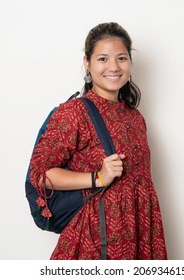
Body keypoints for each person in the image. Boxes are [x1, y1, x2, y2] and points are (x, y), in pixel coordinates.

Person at [29, 22, 167, 260]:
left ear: (130, 63)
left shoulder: (135, 117)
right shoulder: (74, 113)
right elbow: (40, 175)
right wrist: (98, 178)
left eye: (121, 58)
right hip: (97, 241)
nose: (113, 67)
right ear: (87, 63)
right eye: (103, 59)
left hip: (140, 234)